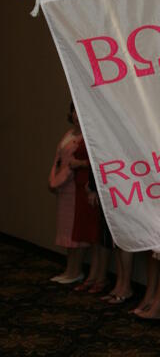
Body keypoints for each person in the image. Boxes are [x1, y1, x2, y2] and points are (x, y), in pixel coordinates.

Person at [49, 102, 100, 284]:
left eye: (79, 111)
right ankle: (69, 269)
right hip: (64, 186)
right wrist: (53, 180)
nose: (76, 115)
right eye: (73, 111)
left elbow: (86, 162)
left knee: (75, 232)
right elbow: (58, 160)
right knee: (65, 229)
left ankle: (75, 271)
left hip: (77, 187)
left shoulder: (86, 137)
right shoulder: (68, 134)